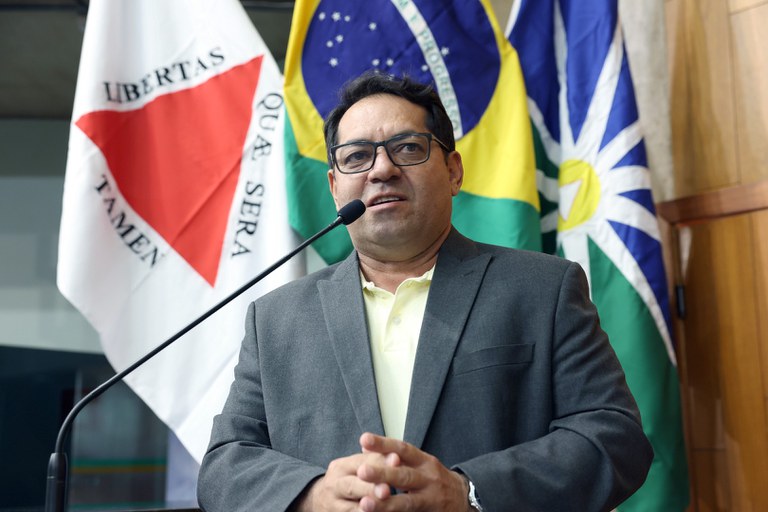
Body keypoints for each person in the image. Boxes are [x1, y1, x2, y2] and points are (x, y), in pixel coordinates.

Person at [197, 72, 653, 512]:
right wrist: (313, 496)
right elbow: (225, 465)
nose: (382, 169)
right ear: (335, 188)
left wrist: (468, 493)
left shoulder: (543, 289)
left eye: (408, 148)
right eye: (356, 157)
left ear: (453, 171)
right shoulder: (276, 319)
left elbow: (614, 438)